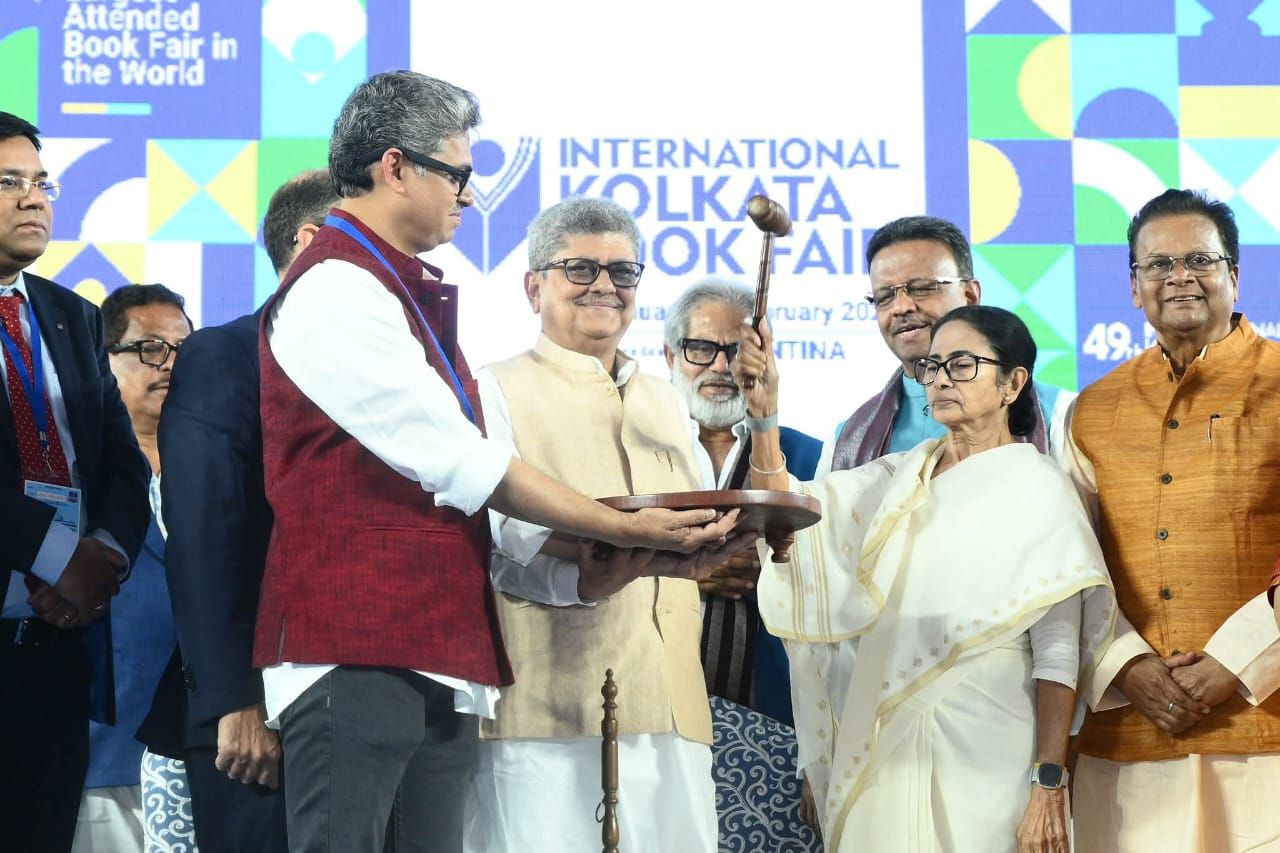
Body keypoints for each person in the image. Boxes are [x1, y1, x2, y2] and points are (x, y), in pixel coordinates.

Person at [257, 74, 737, 852]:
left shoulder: (402, 289)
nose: (470, 196)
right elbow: (460, 462)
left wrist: (599, 566)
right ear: (395, 166)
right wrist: (623, 525)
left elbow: (480, 519)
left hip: (439, 655)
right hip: (356, 648)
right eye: (458, 174)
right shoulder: (337, 285)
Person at [735, 305, 1116, 852]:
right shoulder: (896, 479)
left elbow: (1058, 653)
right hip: (886, 742)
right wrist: (764, 419)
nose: (939, 380)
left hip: (990, 748)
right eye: (932, 366)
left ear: (1013, 384)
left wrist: (1048, 783)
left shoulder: (1041, 487)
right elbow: (790, 514)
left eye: (961, 365)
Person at [466, 198, 750, 853]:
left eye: (622, 272)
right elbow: (497, 541)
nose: (604, 286)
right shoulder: (491, 388)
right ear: (533, 287)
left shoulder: (665, 399)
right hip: (546, 707)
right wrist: (587, 576)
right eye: (580, 269)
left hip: (672, 702)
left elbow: (690, 526)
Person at [1062, 189, 1280, 853]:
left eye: (1199, 260)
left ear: (1234, 276)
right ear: (1134, 288)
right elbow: (1070, 567)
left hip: (1264, 730)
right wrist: (1126, 666)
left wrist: (1236, 660)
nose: (1179, 276)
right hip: (1128, 740)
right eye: (1158, 264)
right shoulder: (1092, 410)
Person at [142, 170, 337, 852]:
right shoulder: (225, 355)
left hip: (367, 706)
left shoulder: (398, 364)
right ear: (311, 242)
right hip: (258, 717)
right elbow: (204, 539)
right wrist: (234, 698)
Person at [0, 111, 151, 853]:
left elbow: (124, 464)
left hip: (59, 643)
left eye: (42, 183)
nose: (35, 199)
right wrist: (61, 556)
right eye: (10, 182)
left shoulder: (73, 316)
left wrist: (103, 556)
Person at [664, 278, 821, 724]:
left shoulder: (807, 456)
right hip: (654, 707)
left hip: (778, 712)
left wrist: (774, 566)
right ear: (670, 356)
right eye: (701, 348)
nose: (720, 366)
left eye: (736, 351)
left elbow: (839, 578)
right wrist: (685, 571)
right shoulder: (638, 451)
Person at [72, 284, 192, 851]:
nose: (170, 365)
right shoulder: (77, 478)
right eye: (150, 348)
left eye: (184, 349)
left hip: (206, 756)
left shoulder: (230, 475)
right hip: (105, 758)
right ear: (104, 361)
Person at [821, 215, 1072, 474]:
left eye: (921, 288)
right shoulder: (845, 441)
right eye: (884, 296)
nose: (901, 307)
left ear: (970, 296)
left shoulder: (1061, 418)